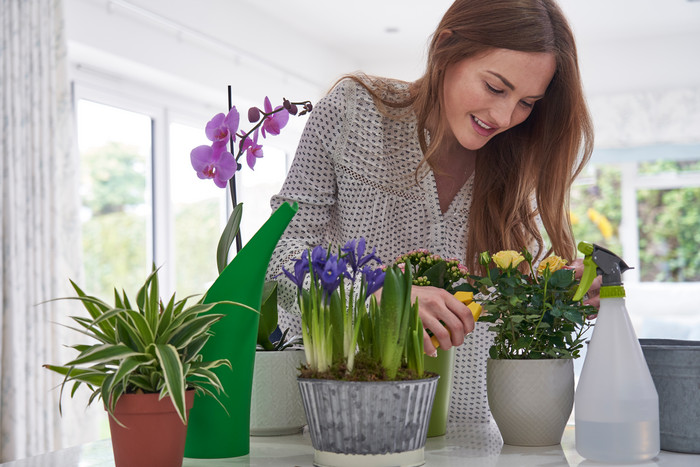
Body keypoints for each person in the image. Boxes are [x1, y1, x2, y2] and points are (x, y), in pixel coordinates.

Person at [265, 0, 600, 423]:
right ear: (447, 49)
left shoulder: (518, 160)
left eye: (527, 102)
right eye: (496, 87)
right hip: (349, 419)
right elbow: (277, 259)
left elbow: (494, 304)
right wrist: (377, 294)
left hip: (472, 429)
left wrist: (553, 294)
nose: (504, 116)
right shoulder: (354, 111)